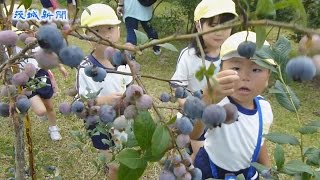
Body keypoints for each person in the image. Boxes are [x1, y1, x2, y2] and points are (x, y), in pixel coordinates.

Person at [192, 31, 274, 179]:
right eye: (236, 68)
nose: (245, 77)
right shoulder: (218, 103)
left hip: (245, 174)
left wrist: (268, 170)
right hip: (209, 169)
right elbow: (194, 133)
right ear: (221, 72)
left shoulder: (265, 109)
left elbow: (259, 141)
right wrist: (207, 98)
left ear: (268, 78)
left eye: (256, 69)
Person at [170, 0, 238, 160]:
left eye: (225, 26)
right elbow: (176, 87)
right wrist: (190, 107)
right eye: (213, 26)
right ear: (199, 25)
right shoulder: (189, 56)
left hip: (220, 120)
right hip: (197, 118)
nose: (220, 32)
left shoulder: (232, 57)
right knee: (200, 157)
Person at [79, 3, 132, 179]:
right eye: (97, 31)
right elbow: (82, 105)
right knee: (115, 167)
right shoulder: (86, 68)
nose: (106, 35)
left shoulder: (124, 60)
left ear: (118, 30)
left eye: (110, 28)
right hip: (99, 124)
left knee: (121, 156)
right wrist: (104, 100)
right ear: (87, 36)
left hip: (121, 119)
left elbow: (130, 86)